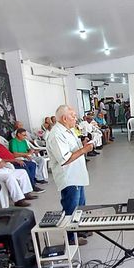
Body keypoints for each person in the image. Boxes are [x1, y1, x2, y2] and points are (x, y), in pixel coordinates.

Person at [46, 105, 93, 246]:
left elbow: (74, 148)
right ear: (64, 118)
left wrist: (83, 144)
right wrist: (85, 149)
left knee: (81, 205)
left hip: (77, 174)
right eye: (73, 116)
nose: (75, 118)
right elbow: (65, 159)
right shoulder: (56, 135)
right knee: (71, 206)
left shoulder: (69, 130)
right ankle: (71, 238)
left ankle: (80, 229)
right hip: (68, 176)